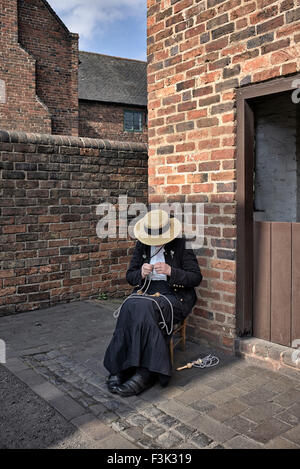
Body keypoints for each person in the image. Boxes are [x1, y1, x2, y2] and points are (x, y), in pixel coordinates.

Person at [103, 209, 202, 397]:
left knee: (146, 308)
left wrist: (171, 271)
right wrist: (140, 272)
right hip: (146, 291)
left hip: (174, 295)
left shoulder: (182, 245)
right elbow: (130, 277)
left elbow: (196, 277)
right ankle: (121, 366)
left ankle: (146, 372)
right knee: (129, 305)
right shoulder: (142, 244)